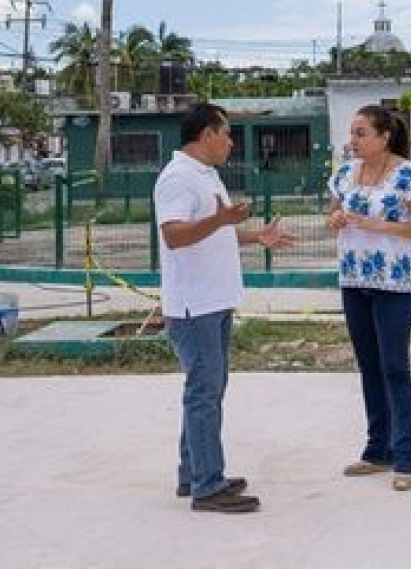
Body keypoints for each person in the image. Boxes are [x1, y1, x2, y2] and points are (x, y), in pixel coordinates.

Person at [154, 103, 292, 514]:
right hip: (194, 307)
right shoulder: (177, 177)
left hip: (215, 301)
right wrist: (220, 222)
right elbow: (175, 236)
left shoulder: (205, 175)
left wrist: (255, 236)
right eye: (227, 133)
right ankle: (207, 486)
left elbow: (215, 234)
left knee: (208, 392)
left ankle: (193, 473)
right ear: (207, 134)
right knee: (204, 394)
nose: (232, 142)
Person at [326, 105, 411, 492]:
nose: (353, 140)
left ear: (384, 137)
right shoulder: (343, 174)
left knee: (394, 366)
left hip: (397, 283)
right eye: (352, 133)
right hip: (354, 280)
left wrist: (381, 225)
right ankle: (378, 450)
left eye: (361, 133)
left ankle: (406, 457)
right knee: (368, 365)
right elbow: (331, 217)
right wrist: (335, 220)